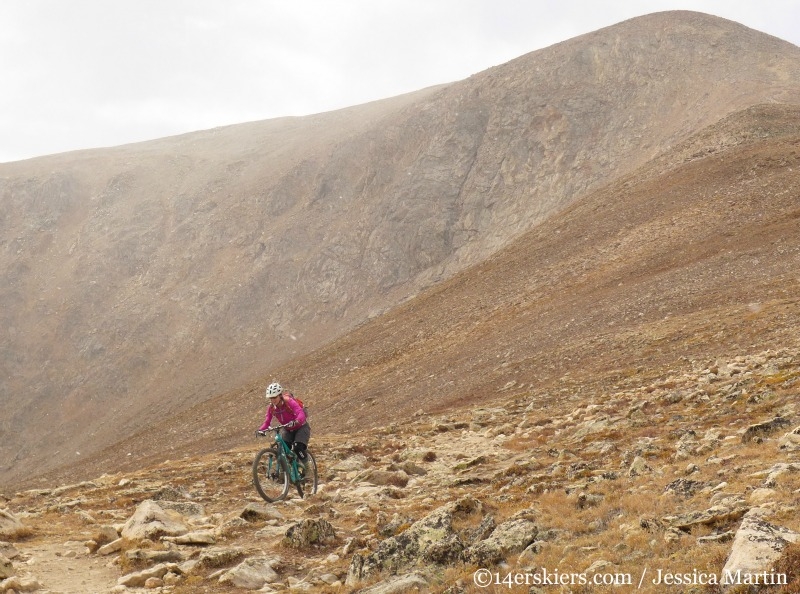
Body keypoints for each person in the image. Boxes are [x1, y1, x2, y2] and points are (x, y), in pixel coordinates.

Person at [256, 382, 310, 462]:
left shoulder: (289, 402)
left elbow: (300, 413)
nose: (273, 400)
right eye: (271, 398)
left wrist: (297, 421)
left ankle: (307, 469)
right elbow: (267, 422)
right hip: (287, 429)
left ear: (280, 395)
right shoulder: (271, 408)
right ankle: (286, 470)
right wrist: (261, 430)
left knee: (297, 447)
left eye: (274, 397)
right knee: (283, 450)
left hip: (301, 427)